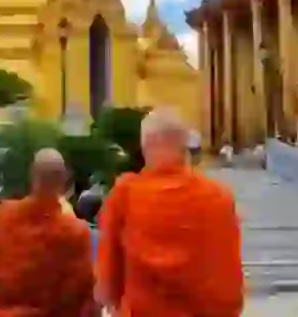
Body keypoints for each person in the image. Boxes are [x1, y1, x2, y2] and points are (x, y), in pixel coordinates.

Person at [96, 109, 244, 316]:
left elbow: (107, 282)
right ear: (184, 147)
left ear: (144, 146)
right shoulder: (218, 197)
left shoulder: (125, 195)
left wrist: (113, 303)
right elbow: (229, 279)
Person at [0, 148, 97, 317]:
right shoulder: (74, 232)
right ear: (63, 180)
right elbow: (79, 293)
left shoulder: (0, 217)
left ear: (32, 176)